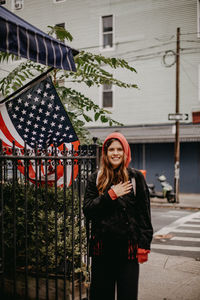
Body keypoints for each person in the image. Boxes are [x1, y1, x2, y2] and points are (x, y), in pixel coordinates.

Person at [83, 132, 153, 300]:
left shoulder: (136, 178)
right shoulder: (96, 178)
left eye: (119, 149)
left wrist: (144, 245)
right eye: (111, 149)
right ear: (105, 153)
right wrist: (111, 195)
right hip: (102, 251)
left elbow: (144, 214)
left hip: (128, 251)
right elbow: (88, 209)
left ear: (125, 152)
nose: (115, 153)